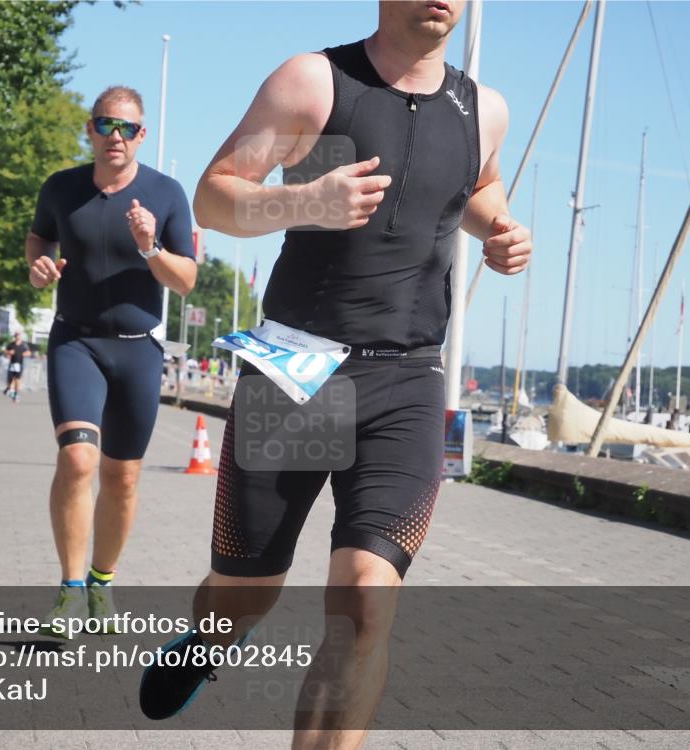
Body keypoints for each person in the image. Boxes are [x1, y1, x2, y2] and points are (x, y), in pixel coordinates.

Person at [139, 2, 532, 746]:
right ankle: (208, 643)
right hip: (300, 369)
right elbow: (213, 196)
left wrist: (502, 229)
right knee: (243, 597)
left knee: (364, 601)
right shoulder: (314, 82)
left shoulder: (484, 109)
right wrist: (306, 200)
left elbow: (477, 188)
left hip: (409, 377)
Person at [25, 85, 197, 636]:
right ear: (90, 129)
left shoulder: (166, 194)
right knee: (78, 461)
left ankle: (102, 580)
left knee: (121, 478)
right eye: (105, 124)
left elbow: (186, 281)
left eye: (126, 127)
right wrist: (39, 266)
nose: (115, 136)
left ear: (142, 135)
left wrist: (150, 246)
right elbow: (39, 238)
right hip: (76, 342)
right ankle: (70, 591)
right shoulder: (62, 187)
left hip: (138, 350)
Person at [2, 331, 31, 400]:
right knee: (10, 380)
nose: (17, 337)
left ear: (20, 336)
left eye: (18, 335)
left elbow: (29, 353)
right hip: (12, 364)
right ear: (14, 336)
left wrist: (25, 354)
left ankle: (15, 394)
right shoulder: (11, 344)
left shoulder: (24, 345)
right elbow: (4, 351)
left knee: (17, 380)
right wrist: (9, 352)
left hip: (19, 364)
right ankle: (8, 388)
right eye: (16, 335)